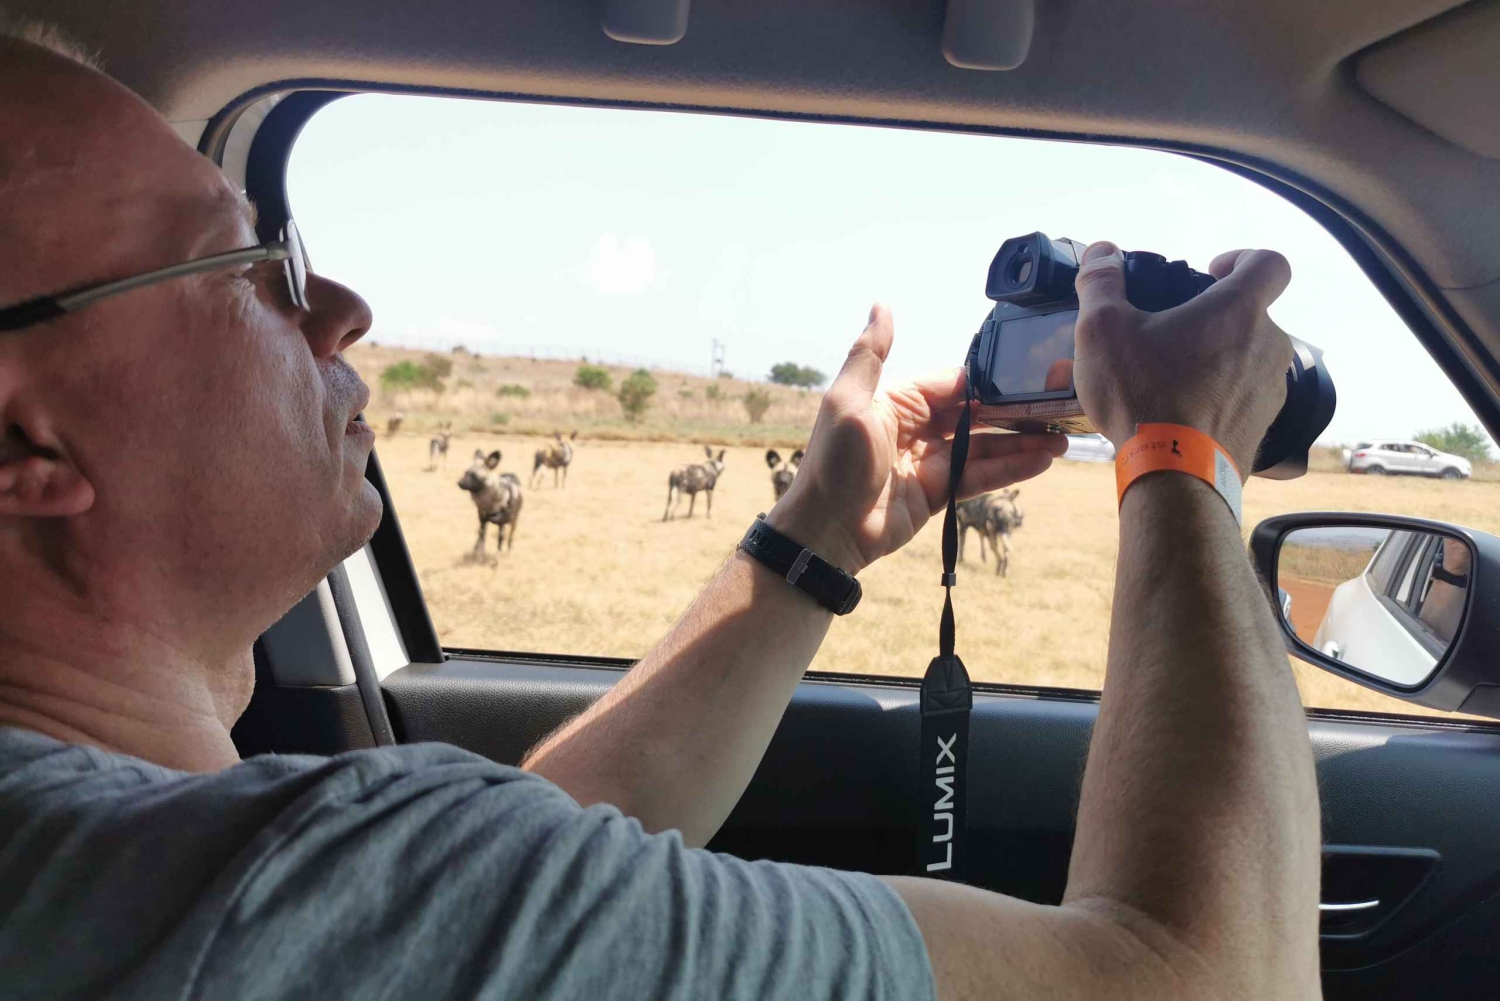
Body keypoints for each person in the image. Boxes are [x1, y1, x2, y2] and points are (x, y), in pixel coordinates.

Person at [0, 26, 1322, 1001]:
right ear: (23, 440)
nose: (338, 308)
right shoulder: (275, 898)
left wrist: (817, 536)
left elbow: (527, 884)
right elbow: (1208, 979)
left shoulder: (152, 878)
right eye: (244, 266)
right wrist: (1180, 449)